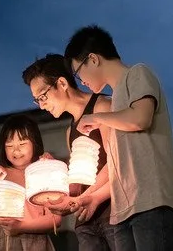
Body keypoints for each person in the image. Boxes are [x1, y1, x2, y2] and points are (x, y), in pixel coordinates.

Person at [63, 24, 173, 251]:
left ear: (93, 59)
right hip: (122, 211)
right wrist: (95, 197)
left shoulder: (137, 73)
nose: (81, 81)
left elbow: (140, 118)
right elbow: (117, 165)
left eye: (78, 73)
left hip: (151, 203)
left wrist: (98, 118)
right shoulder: (114, 101)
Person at [22, 53, 116, 251]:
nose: (41, 105)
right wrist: (55, 177)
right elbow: (76, 186)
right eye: (36, 100)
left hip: (114, 213)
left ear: (62, 83)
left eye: (43, 96)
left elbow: (116, 163)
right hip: (85, 222)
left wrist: (83, 199)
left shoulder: (103, 107)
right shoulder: (69, 130)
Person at [0, 114, 62, 251]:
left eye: (22, 144)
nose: (16, 150)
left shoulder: (44, 171)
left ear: (35, 143)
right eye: (9, 145)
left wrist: (21, 226)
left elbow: (55, 219)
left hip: (34, 241)